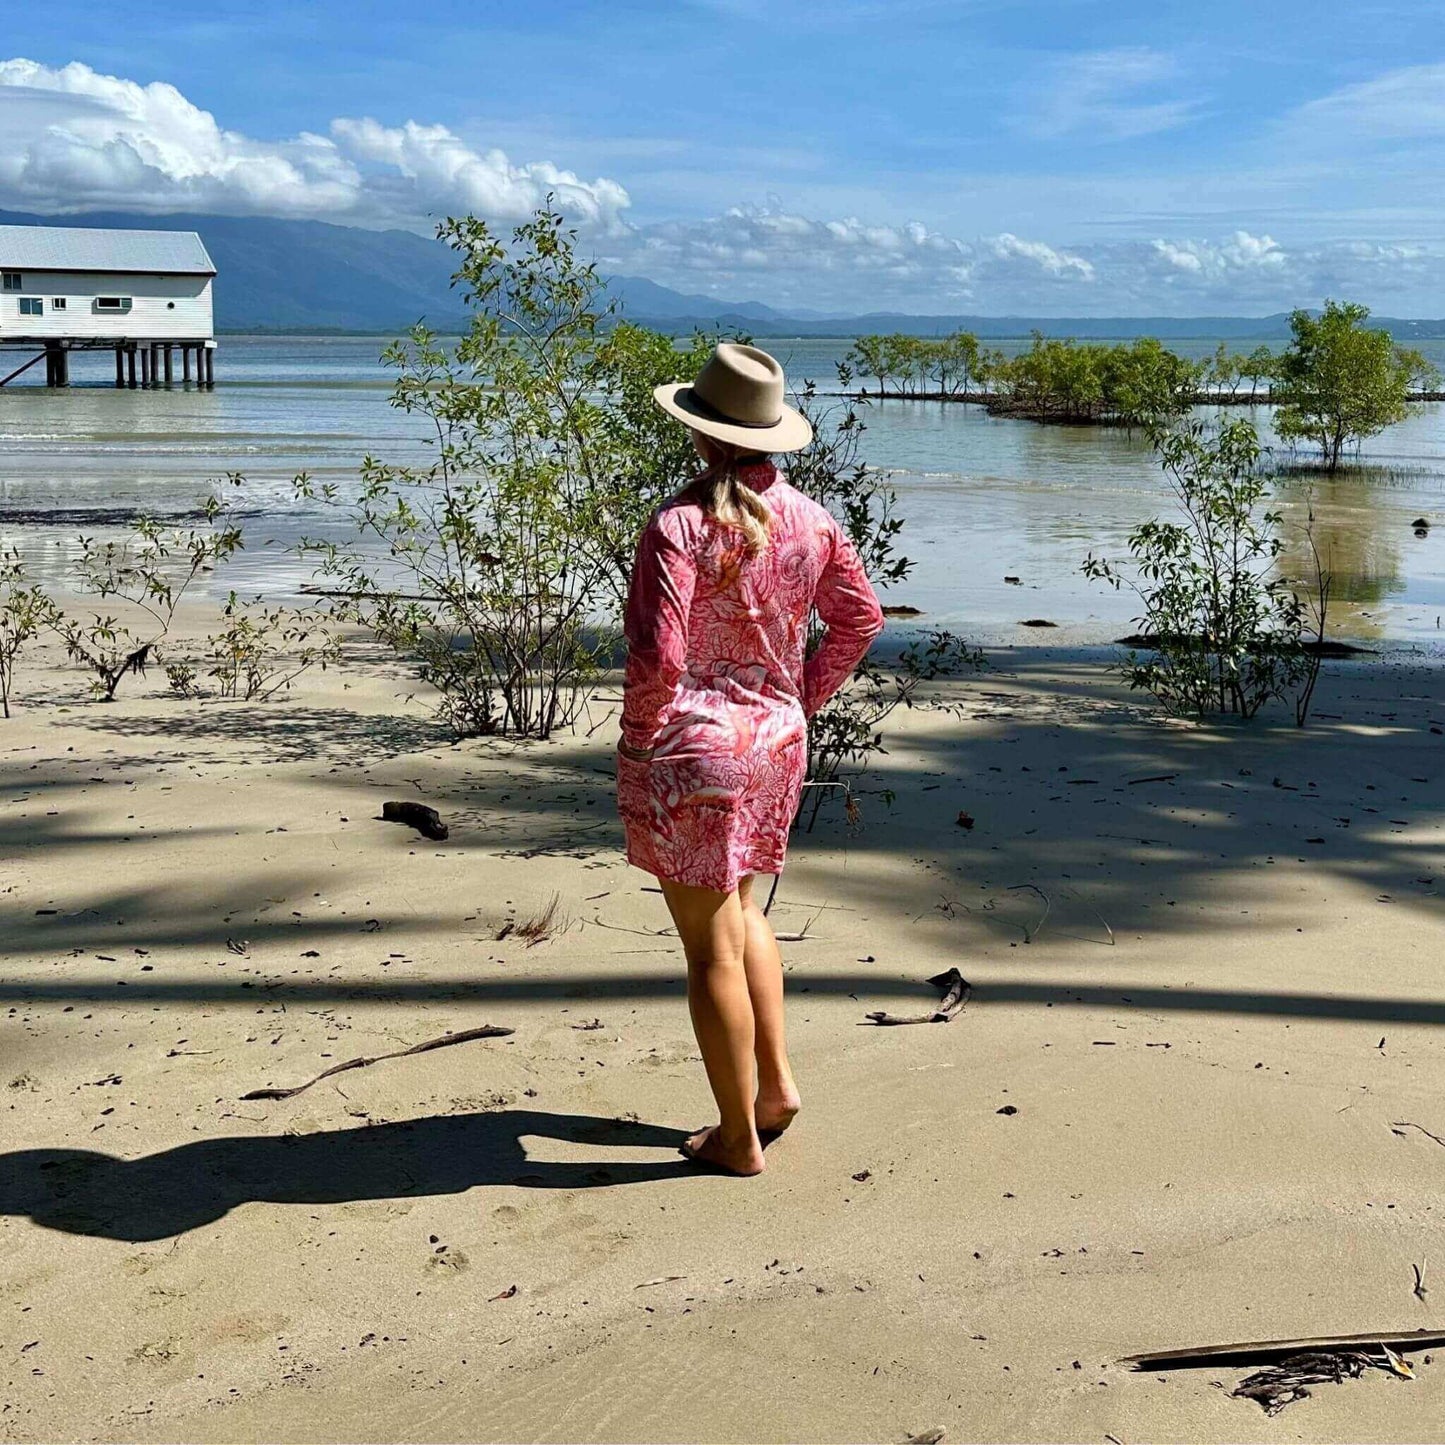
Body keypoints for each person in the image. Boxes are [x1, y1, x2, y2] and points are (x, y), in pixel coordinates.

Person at [616, 342, 885, 1176]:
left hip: (693, 747)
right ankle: (773, 1090)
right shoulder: (811, 521)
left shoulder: (679, 525)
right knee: (746, 916)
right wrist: (798, 696)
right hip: (774, 742)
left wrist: (637, 737)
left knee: (709, 949)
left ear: (699, 434)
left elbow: (658, 658)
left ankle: (737, 1138)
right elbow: (861, 619)